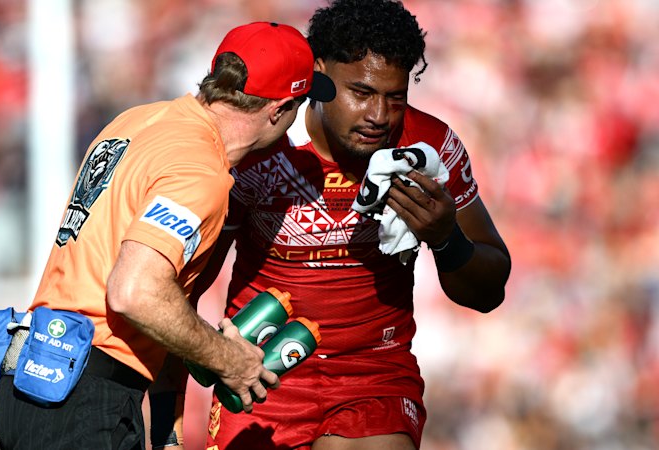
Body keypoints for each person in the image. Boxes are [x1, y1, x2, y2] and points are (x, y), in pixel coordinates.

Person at [179, 1, 512, 449]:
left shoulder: (428, 148)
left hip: (374, 374)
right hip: (261, 369)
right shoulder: (260, 145)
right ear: (318, 75)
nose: (379, 115)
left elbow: (490, 293)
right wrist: (168, 415)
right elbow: (188, 285)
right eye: (361, 92)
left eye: (395, 98)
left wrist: (446, 238)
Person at [0, 21, 336, 450]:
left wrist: (167, 433)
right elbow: (136, 292)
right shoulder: (200, 170)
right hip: (83, 399)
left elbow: (160, 300)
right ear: (280, 110)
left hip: (33, 379)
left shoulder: (137, 120)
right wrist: (229, 359)